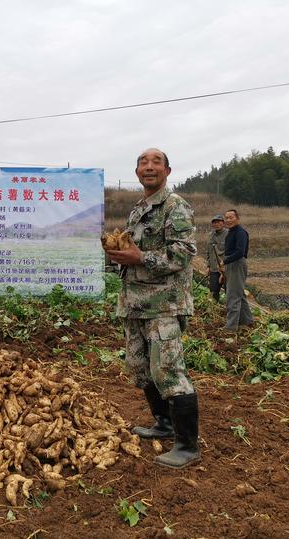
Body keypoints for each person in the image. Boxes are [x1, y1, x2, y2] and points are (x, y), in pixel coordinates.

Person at [104, 148, 199, 469]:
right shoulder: (139, 209)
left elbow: (184, 252)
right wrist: (117, 253)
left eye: (156, 162)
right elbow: (133, 249)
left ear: (168, 171)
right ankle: (164, 423)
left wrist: (140, 258)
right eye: (143, 163)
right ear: (136, 173)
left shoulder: (175, 207)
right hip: (134, 304)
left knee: (168, 370)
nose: (149, 167)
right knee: (141, 369)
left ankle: (187, 445)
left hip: (164, 305)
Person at [223, 209, 254, 330]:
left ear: (237, 218)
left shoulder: (240, 232)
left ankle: (231, 328)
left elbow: (240, 252)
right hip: (231, 263)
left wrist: (225, 261)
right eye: (227, 218)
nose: (228, 220)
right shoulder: (231, 232)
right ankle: (247, 321)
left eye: (231, 217)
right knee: (239, 293)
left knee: (233, 296)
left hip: (237, 263)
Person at [207, 214, 228, 301]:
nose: (216, 224)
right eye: (214, 223)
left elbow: (230, 253)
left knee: (229, 290)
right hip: (214, 268)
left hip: (226, 269)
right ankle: (214, 309)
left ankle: (231, 311)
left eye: (218, 222)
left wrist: (225, 268)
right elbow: (208, 252)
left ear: (223, 223)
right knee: (213, 291)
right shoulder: (211, 235)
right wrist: (208, 266)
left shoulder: (228, 234)